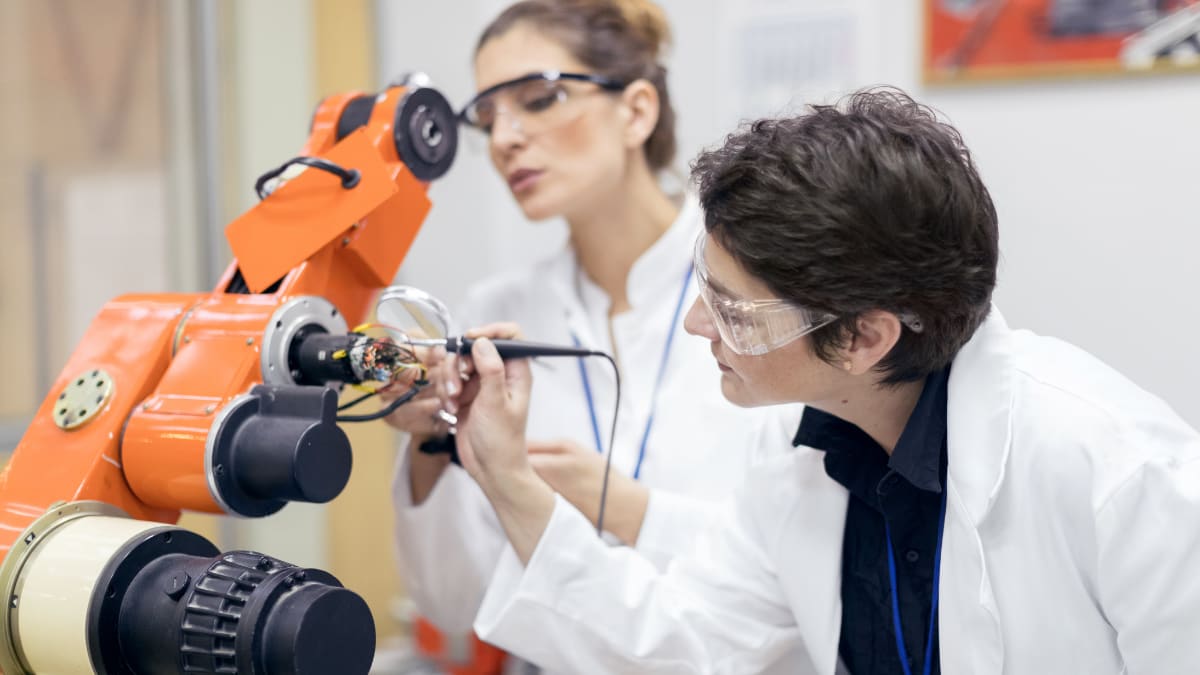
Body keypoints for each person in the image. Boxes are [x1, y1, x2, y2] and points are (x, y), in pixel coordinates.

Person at [446, 87, 1200, 674]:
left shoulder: (1116, 468)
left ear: (865, 336)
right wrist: (506, 475)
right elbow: (685, 642)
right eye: (701, 288)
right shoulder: (808, 452)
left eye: (735, 311)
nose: (697, 327)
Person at [385, 0, 800, 671]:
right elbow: (452, 604)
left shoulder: (766, 287)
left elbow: (801, 573)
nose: (503, 140)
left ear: (636, 111)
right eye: (487, 118)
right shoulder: (498, 314)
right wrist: (434, 442)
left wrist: (630, 510)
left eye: (539, 100)